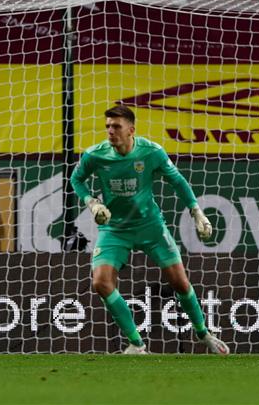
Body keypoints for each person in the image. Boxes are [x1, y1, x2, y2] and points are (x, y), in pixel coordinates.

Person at [71, 105, 230, 355]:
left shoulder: (151, 152)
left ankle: (203, 334)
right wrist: (91, 202)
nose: (111, 131)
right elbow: (76, 179)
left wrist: (196, 210)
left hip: (150, 226)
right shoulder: (95, 155)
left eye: (116, 126)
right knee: (101, 282)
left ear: (131, 130)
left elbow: (177, 181)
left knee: (179, 281)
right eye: (108, 126)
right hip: (115, 229)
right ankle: (136, 343)